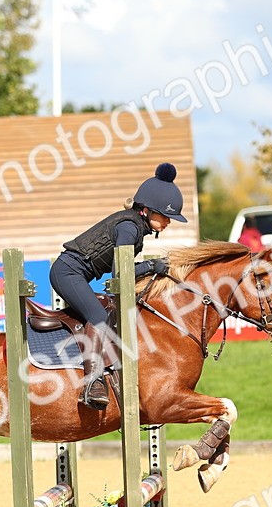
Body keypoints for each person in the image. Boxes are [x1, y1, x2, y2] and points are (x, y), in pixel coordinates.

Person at [49, 162, 184, 410]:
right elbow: (120, 272)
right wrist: (153, 266)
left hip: (74, 273)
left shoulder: (136, 226)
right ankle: (92, 382)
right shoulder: (129, 227)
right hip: (67, 272)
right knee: (99, 316)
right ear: (148, 210)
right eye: (166, 216)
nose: (168, 222)